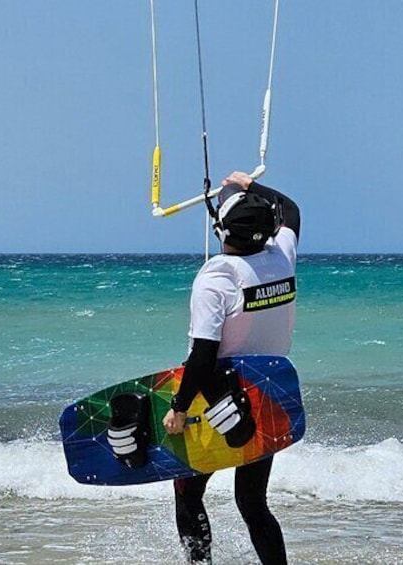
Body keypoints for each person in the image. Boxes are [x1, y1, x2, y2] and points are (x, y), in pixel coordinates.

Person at [162, 170, 300, 565]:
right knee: (252, 502)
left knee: (188, 492)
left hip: (219, 398)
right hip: (268, 393)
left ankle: (200, 564)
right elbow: (291, 209)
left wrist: (179, 407)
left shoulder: (216, 280)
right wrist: (249, 185)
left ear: (223, 230)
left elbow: (203, 356)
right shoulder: (282, 256)